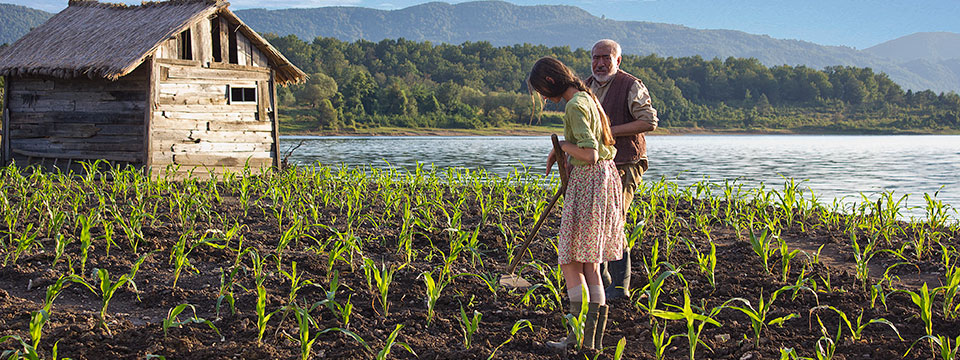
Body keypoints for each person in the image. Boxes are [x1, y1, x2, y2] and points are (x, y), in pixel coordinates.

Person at [528, 57, 625, 351]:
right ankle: (588, 342)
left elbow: (590, 153)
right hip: (601, 182)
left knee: (571, 261)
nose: (544, 98)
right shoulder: (587, 97)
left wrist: (561, 147)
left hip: (590, 182)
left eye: (542, 92)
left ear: (550, 82)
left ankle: (576, 338)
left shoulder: (575, 105)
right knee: (589, 264)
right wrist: (561, 153)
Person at [586, 39, 659, 300]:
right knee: (596, 220)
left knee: (614, 218)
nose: (600, 63)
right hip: (596, 163)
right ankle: (604, 279)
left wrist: (609, 132)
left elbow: (648, 121)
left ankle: (620, 287)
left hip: (626, 161)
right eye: (596, 57)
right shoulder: (586, 87)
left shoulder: (631, 85)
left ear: (618, 61)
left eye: (606, 57)